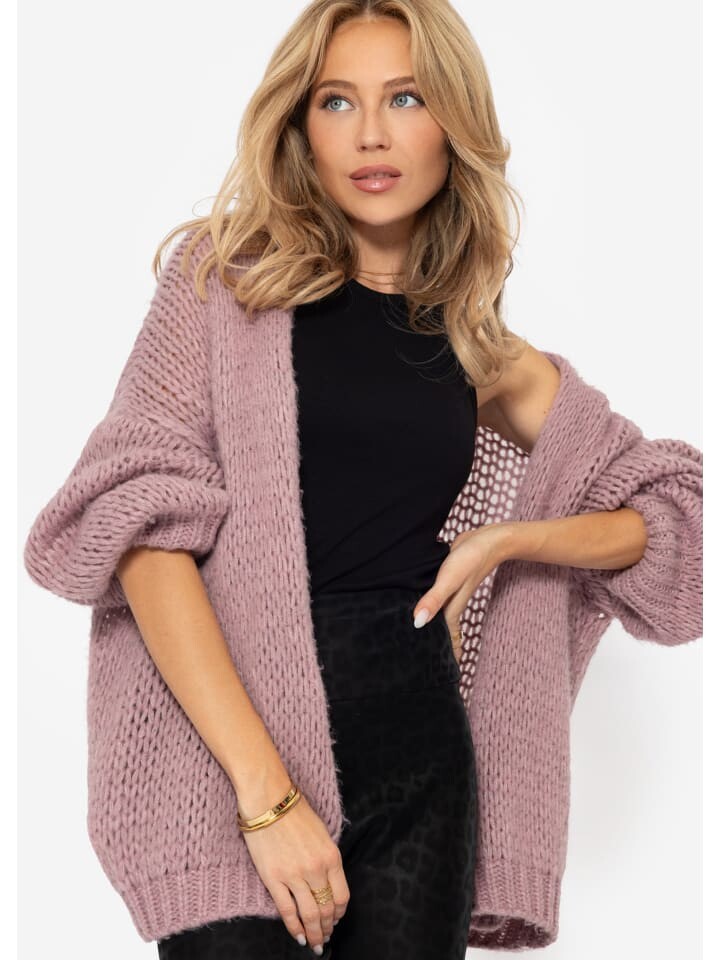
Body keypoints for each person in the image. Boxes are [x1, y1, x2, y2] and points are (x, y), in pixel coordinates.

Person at [22, 1, 703, 956]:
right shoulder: (223, 285)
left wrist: (509, 539)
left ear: (454, 125)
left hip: (419, 763)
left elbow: (671, 515)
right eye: (337, 101)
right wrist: (268, 799)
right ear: (300, 125)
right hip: (229, 760)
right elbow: (140, 533)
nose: (372, 134)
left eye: (407, 98)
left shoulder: (475, 346)